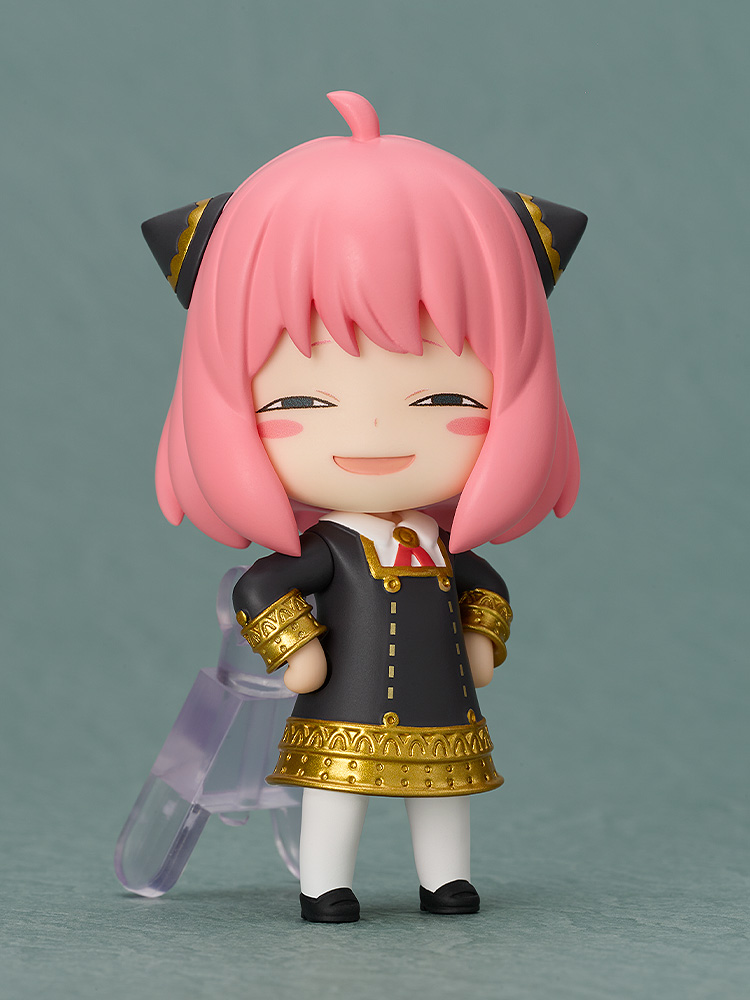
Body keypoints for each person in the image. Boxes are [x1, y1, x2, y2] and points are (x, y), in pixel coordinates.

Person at [142, 91, 586, 921]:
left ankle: (445, 880)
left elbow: (482, 581)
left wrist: (482, 634)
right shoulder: (330, 550)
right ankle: (324, 884)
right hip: (340, 710)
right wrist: (297, 649)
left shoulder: (440, 544)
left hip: (443, 706)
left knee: (443, 793)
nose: (375, 429)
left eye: (444, 396)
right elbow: (262, 586)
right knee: (334, 795)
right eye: (301, 402)